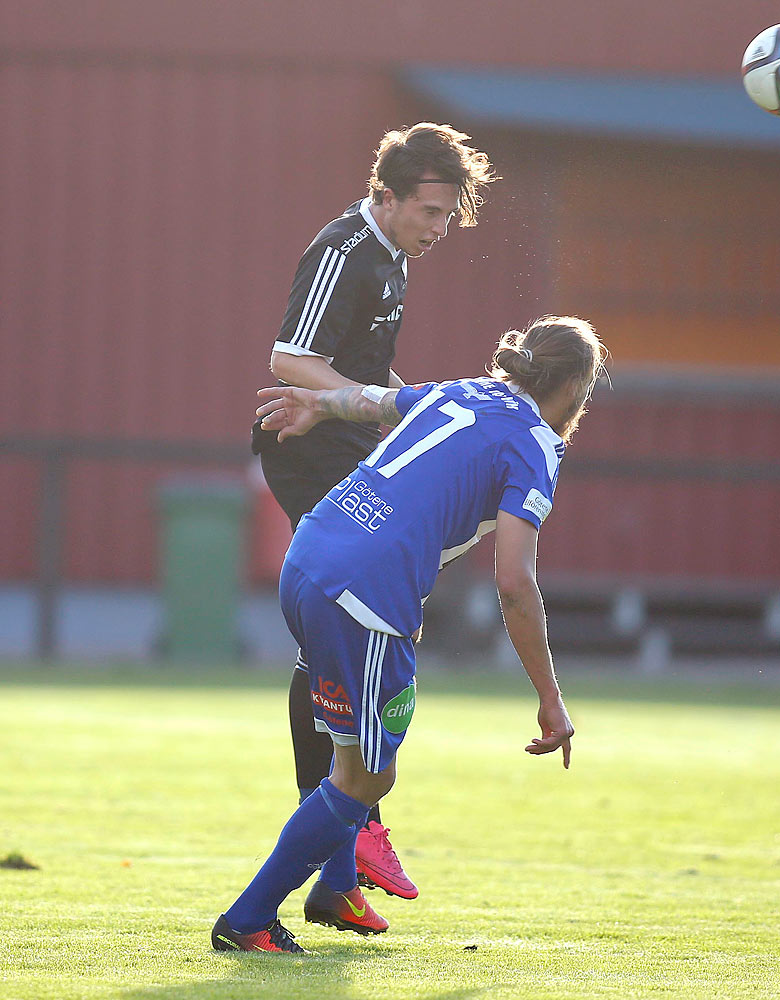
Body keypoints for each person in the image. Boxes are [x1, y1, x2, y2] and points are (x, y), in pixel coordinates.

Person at [213, 316, 607, 952]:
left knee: (350, 748)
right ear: (574, 390)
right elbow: (514, 582)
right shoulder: (534, 444)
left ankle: (335, 886)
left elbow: (371, 400)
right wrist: (551, 699)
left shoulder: (463, 392)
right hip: (366, 593)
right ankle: (249, 919)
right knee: (370, 775)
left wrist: (316, 404)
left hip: (311, 550)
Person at [251, 122, 496, 907]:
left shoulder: (392, 256)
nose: (441, 228)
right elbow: (289, 357)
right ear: (384, 195)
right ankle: (352, 829)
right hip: (306, 446)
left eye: (449, 213)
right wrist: (345, 409)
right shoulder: (345, 249)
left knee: (340, 634)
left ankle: (338, 855)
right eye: (430, 211)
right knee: (357, 618)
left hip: (343, 439)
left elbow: (357, 365)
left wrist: (400, 407)